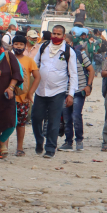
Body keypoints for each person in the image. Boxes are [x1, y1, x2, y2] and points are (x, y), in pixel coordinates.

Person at [31, 25, 77, 158]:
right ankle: (39, 141)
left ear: (63, 36)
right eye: (54, 33)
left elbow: (73, 74)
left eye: (58, 34)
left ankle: (50, 148)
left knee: (53, 120)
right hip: (41, 90)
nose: (55, 36)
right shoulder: (43, 47)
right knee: (36, 117)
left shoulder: (69, 52)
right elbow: (35, 65)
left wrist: (71, 94)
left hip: (58, 91)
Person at [59, 35, 94, 151]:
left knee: (76, 115)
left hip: (79, 91)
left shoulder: (80, 55)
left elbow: (91, 70)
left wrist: (88, 86)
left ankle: (79, 140)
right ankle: (68, 142)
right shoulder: (59, 57)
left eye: (67, 42)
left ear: (72, 43)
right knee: (67, 117)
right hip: (64, 91)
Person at [11, 35, 39, 157]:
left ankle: (19, 148)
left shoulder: (29, 61)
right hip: (8, 98)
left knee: (21, 124)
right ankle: (3, 148)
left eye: (21, 44)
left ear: (25, 46)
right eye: (16, 44)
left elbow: (37, 77)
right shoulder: (7, 59)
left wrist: (30, 93)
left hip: (23, 99)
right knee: (6, 124)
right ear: (12, 45)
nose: (18, 46)